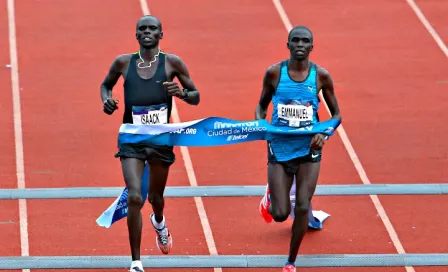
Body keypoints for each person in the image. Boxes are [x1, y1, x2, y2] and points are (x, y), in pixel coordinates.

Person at [100, 15, 200, 272]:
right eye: (142, 28)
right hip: (131, 138)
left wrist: (182, 94)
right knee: (135, 196)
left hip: (160, 139)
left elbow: (196, 96)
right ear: (136, 35)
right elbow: (105, 85)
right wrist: (107, 101)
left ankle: (159, 222)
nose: (147, 32)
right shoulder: (123, 62)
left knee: (155, 197)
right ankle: (136, 262)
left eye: (152, 28)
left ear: (160, 34)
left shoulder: (172, 63)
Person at [256, 25, 342, 272]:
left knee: (303, 205)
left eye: (305, 41)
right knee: (281, 214)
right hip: (280, 147)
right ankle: (270, 199)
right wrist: (261, 126)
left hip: (309, 148)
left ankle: (290, 262)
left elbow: (336, 115)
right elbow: (261, 107)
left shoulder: (321, 77)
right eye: (296, 40)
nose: (300, 45)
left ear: (312, 47)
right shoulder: (274, 74)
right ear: (288, 44)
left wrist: (324, 133)